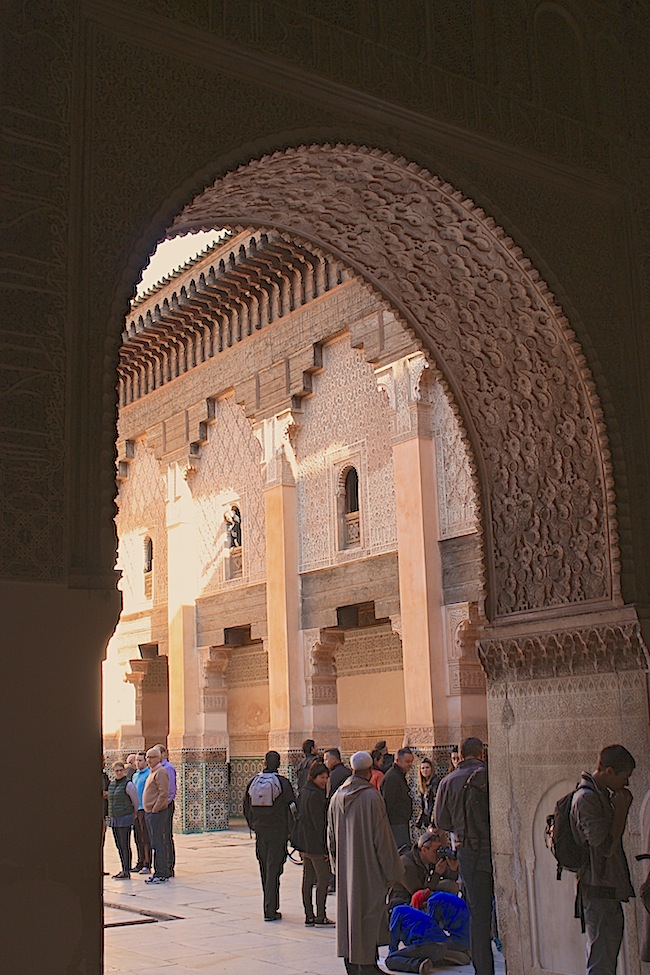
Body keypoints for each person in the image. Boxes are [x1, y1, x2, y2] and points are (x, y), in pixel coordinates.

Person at [328, 750, 404, 975]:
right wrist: (392, 871)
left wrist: (337, 868)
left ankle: (355, 963)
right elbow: (382, 837)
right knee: (368, 914)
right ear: (370, 771)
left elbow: (330, 837)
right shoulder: (372, 797)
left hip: (346, 868)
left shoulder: (336, 797)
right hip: (369, 868)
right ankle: (367, 964)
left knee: (350, 915)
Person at [570, 744, 636, 975]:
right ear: (609, 771)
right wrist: (620, 812)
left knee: (606, 959)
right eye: (624, 777)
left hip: (606, 891)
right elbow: (605, 846)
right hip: (597, 892)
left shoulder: (600, 797)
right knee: (601, 964)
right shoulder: (586, 799)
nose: (625, 784)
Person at [434, 737, 494, 975]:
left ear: (460, 755)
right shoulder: (490, 775)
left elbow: (441, 821)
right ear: (481, 753)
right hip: (494, 848)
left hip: (468, 852)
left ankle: (483, 970)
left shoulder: (448, 782)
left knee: (478, 915)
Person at [243, 750, 296, 921]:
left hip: (261, 833)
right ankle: (271, 909)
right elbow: (293, 808)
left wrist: (253, 824)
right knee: (274, 869)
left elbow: (245, 806)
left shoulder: (253, 781)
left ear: (264, 763)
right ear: (279, 764)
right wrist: (291, 830)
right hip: (277, 832)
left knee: (264, 868)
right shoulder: (283, 783)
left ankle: (269, 906)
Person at [386, 890, 471, 972]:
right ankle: (448, 955)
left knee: (391, 960)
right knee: (430, 952)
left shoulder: (397, 910)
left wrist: (393, 954)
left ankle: (418, 965)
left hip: (450, 941)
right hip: (448, 942)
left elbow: (393, 936)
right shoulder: (442, 896)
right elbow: (433, 927)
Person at [297, 761, 334, 926]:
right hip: (315, 846)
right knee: (322, 879)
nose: (324, 781)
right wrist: (325, 848)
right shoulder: (316, 796)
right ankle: (320, 915)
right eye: (321, 777)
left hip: (305, 843)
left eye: (326, 777)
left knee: (308, 878)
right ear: (313, 776)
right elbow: (319, 824)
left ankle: (309, 915)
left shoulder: (305, 791)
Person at [388, 829, 459, 910]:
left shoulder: (430, 858)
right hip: (405, 903)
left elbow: (451, 879)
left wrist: (453, 869)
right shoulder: (407, 864)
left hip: (422, 893)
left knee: (451, 885)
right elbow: (420, 895)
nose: (438, 853)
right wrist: (436, 874)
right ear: (424, 850)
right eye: (435, 851)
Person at [142, 746, 170, 884]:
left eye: (151, 757)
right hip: (150, 813)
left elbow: (163, 793)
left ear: (158, 758)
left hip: (156, 813)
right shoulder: (152, 772)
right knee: (154, 842)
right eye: (147, 757)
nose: (148, 760)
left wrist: (155, 809)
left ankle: (161, 872)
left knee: (159, 843)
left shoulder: (161, 772)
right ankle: (157, 871)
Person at [107, 760, 138, 879]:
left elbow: (135, 801)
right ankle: (123, 868)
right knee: (118, 844)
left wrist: (133, 813)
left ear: (124, 771)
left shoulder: (128, 784)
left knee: (125, 844)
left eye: (121, 770)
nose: (119, 773)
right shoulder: (112, 785)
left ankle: (126, 870)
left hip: (125, 817)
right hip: (115, 817)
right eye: (117, 771)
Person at [381, 747, 415, 850]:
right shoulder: (392, 778)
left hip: (400, 823)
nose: (410, 764)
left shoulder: (398, 776)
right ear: (397, 761)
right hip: (395, 824)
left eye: (411, 761)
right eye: (407, 761)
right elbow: (387, 803)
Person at [156, 743, 177, 878]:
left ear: (164, 754)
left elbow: (170, 790)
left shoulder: (168, 768)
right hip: (159, 806)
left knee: (166, 835)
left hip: (165, 806)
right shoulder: (157, 769)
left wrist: (163, 804)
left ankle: (169, 865)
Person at [131, 751, 152, 873]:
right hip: (136, 810)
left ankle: (147, 863)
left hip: (144, 809)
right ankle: (139, 861)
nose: (138, 763)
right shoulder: (135, 775)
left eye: (140, 760)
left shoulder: (149, 774)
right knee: (138, 837)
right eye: (137, 761)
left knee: (146, 838)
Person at [416, 758, 439, 830]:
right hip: (428, 819)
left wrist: (433, 822)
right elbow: (424, 806)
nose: (425, 770)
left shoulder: (435, 783)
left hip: (434, 820)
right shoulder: (424, 785)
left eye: (427, 768)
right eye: (423, 768)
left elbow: (436, 803)